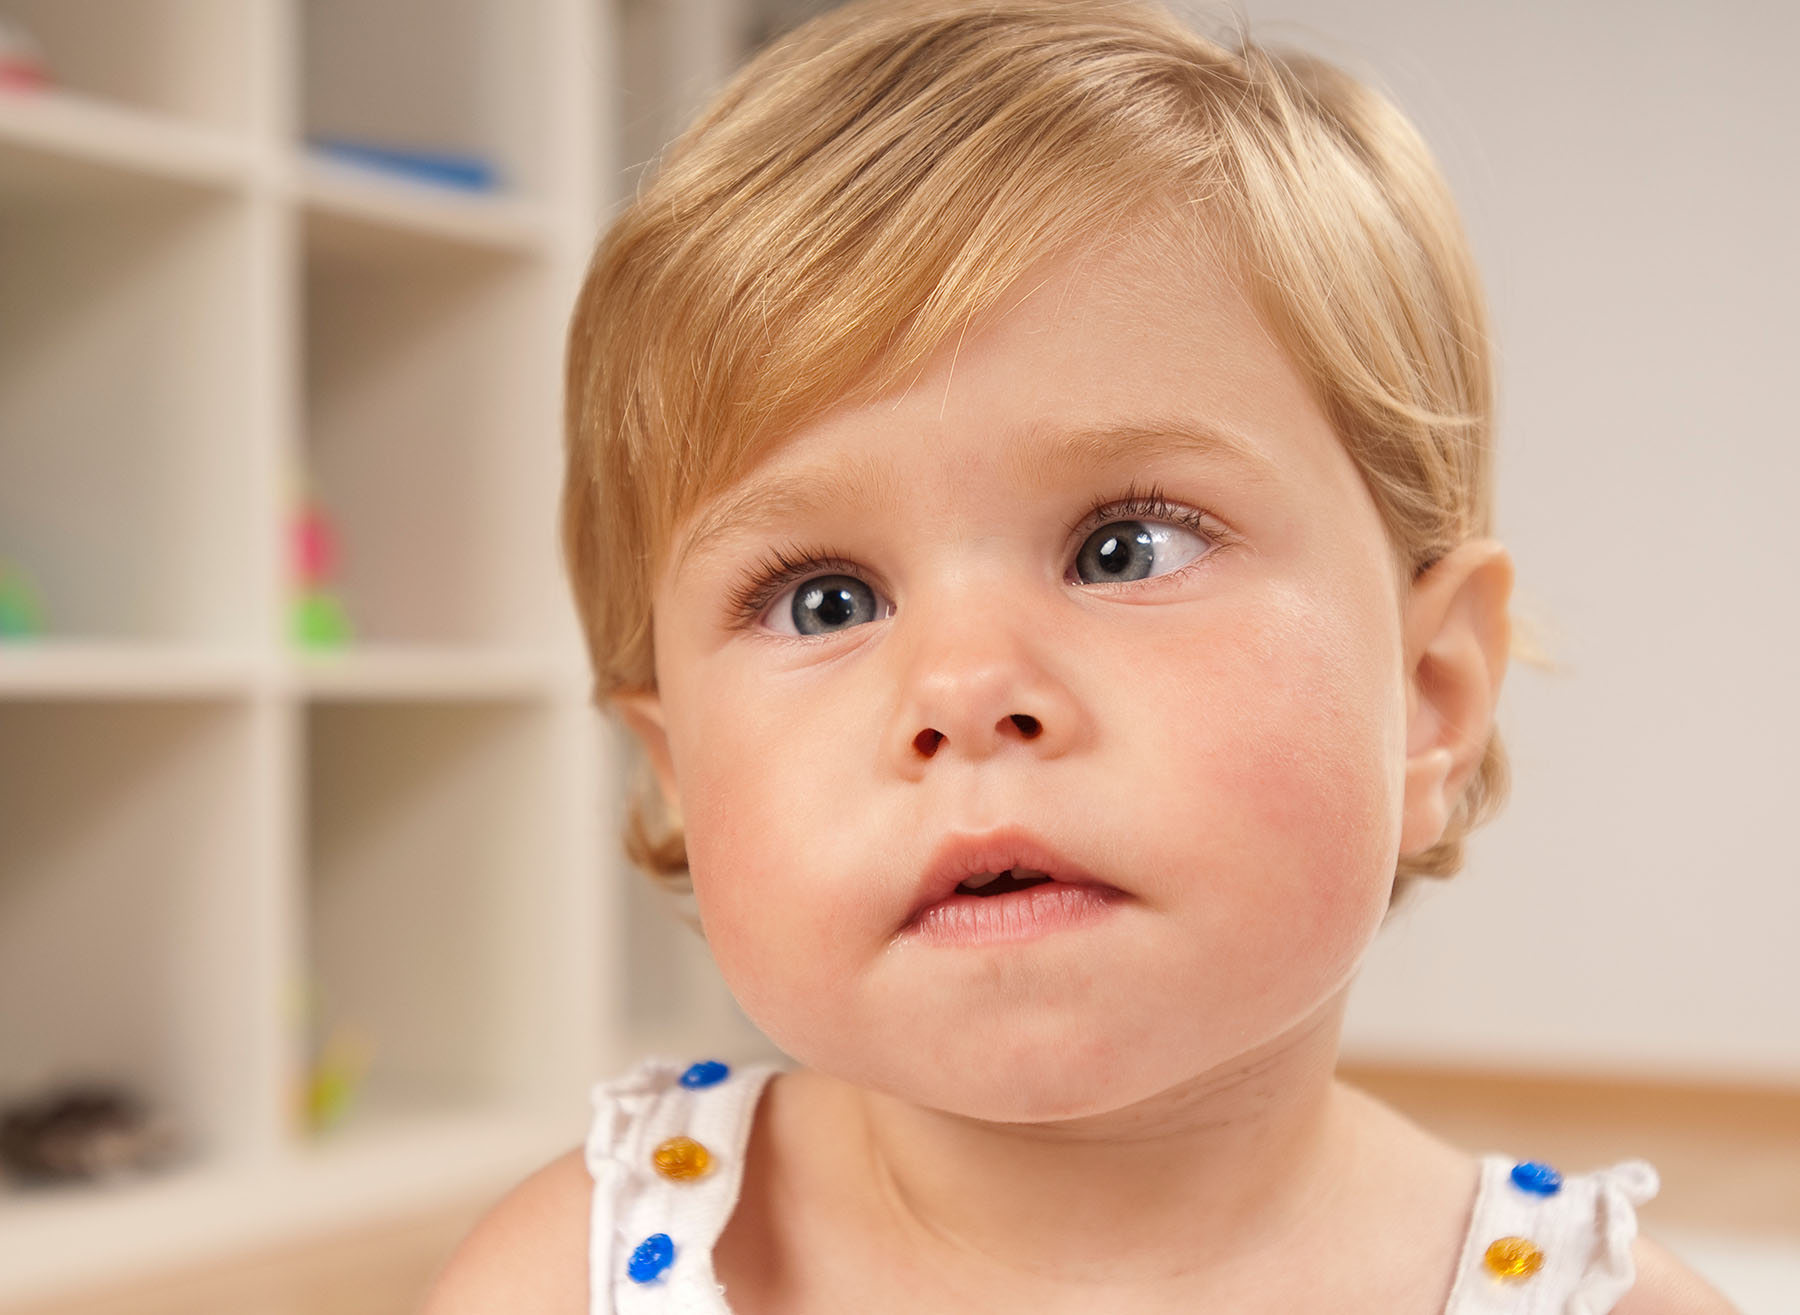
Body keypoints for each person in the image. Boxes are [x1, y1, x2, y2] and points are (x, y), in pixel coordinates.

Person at [424, 2, 1737, 1310]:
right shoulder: (564, 1276)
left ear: (1428, 692)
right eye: (823, 601)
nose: (966, 690)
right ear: (675, 778)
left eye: (1127, 549)